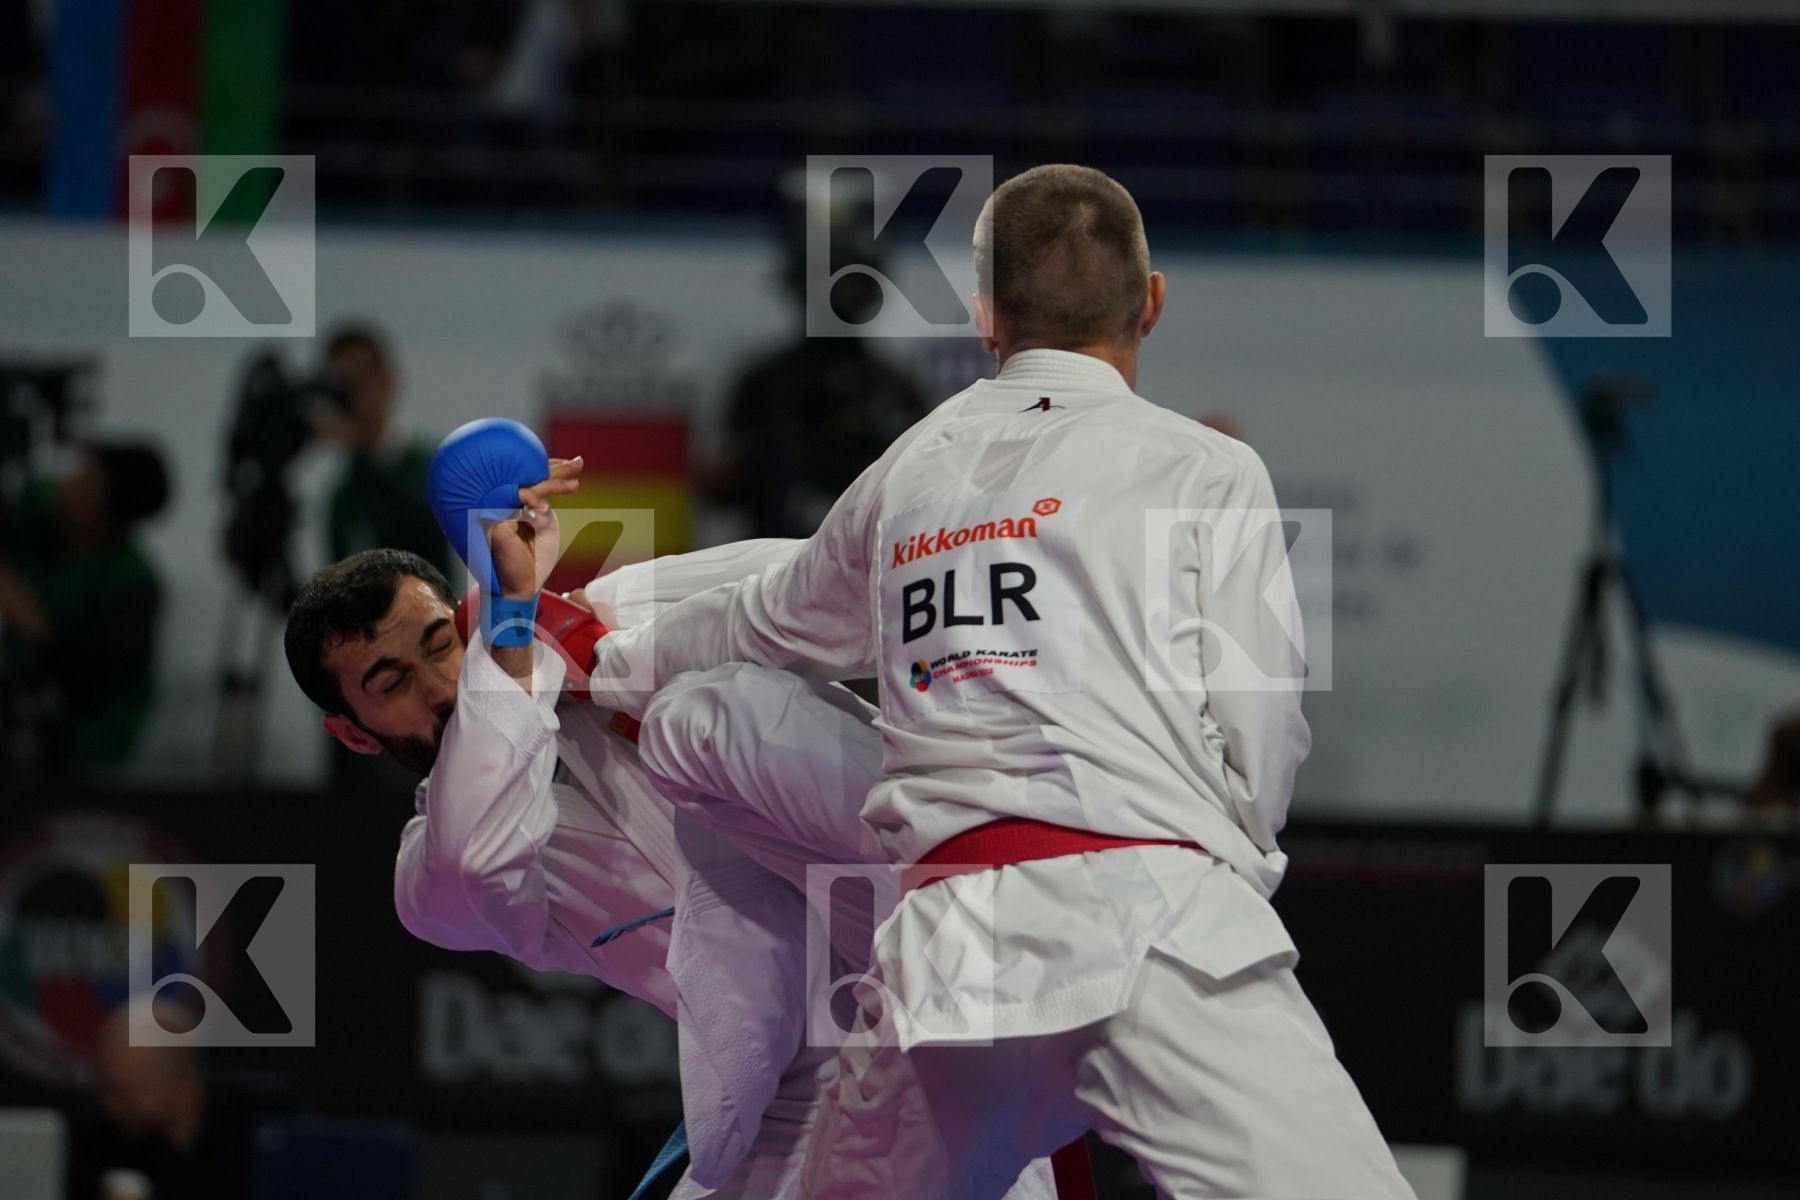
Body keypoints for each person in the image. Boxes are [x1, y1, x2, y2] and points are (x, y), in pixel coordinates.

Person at [589, 165, 1416, 1199]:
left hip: (949, 956)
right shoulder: (1206, 467)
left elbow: (757, 619)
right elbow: (1261, 732)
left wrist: (589, 646)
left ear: (986, 318)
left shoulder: (908, 471)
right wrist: (1223, 864)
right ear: (1152, 301)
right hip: (1153, 922)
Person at [280, 462, 1055, 1200]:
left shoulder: (604, 616)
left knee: (712, 710)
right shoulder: (429, 881)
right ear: (351, 733)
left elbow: (836, 589)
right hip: (790, 1087)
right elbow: (479, 846)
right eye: (392, 684)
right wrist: (514, 633)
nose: (440, 687)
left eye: (441, 645)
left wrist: (601, 645)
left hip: (944, 991)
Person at [0, 439, 169, 770]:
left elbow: (87, 675)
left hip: (91, 741)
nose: (69, 486)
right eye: (78, 474)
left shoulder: (131, 581)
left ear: (113, 512)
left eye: (89, 485)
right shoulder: (44, 513)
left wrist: (27, 616)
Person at [66, 996, 294, 1200]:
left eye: (125, 1092)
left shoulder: (265, 1121)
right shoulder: (100, 1141)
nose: (110, 1107)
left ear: (180, 1082)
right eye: (106, 1088)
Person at [314, 323, 454, 581]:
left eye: (357, 380)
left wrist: (359, 450)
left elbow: (419, 535)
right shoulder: (344, 492)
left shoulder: (432, 463)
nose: (350, 397)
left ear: (388, 381)